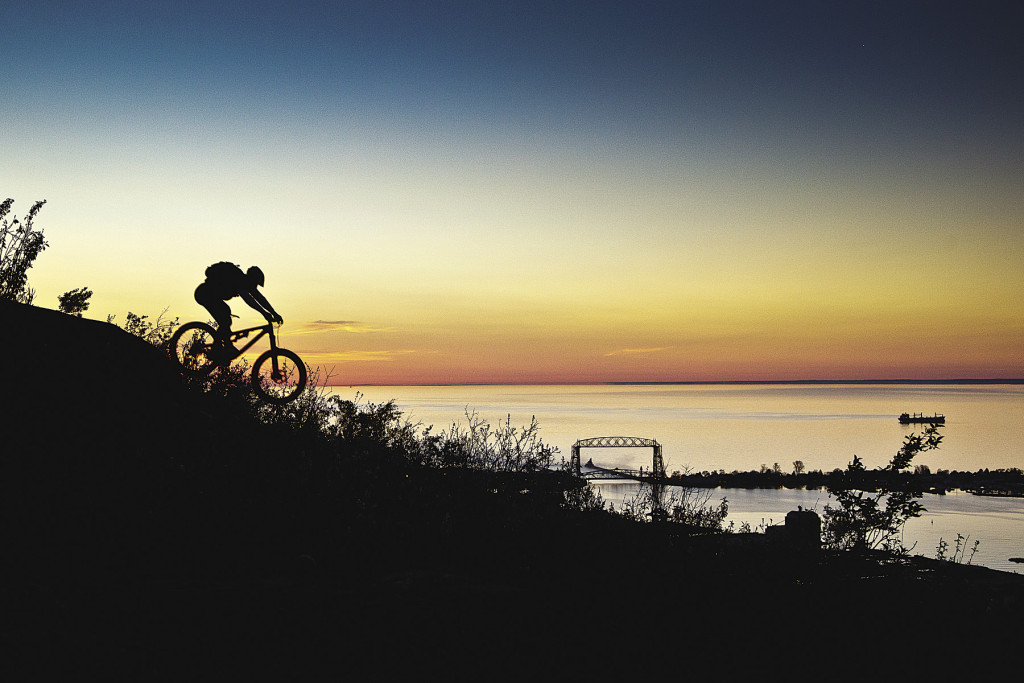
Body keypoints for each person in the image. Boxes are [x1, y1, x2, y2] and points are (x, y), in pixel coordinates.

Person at [194, 262, 283, 358]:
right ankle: (218, 349)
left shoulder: (246, 283)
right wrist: (264, 313)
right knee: (225, 320)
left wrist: (274, 313)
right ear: (252, 279)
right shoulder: (239, 280)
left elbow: (260, 298)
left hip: (208, 295)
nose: (256, 287)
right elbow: (249, 300)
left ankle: (221, 347)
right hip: (204, 294)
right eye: (256, 284)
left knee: (226, 313)